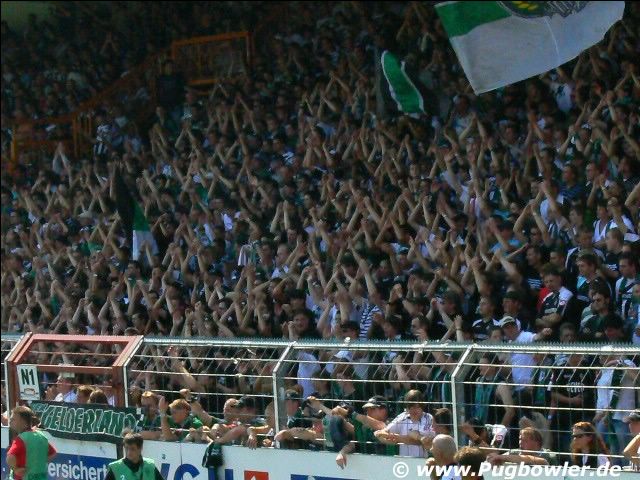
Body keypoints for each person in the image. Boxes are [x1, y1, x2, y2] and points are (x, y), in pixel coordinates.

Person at [374, 389, 435, 457]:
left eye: (416, 407)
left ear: (422, 406)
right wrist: (383, 436)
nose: (413, 410)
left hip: (422, 460)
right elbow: (384, 431)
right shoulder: (403, 416)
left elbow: (420, 441)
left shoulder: (428, 418)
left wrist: (396, 438)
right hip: (404, 460)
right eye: (410, 407)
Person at [6, 406, 57, 480]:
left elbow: (10, 458)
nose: (10, 421)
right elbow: (53, 453)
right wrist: (39, 463)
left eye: (13, 419)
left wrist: (15, 469)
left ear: (23, 421)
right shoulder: (41, 436)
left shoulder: (21, 439)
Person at [487, 427, 556, 466]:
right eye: (520, 439)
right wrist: (495, 457)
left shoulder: (549, 456)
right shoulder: (514, 452)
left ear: (536, 442)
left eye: (525, 440)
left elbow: (533, 460)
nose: (520, 443)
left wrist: (500, 457)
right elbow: (497, 458)